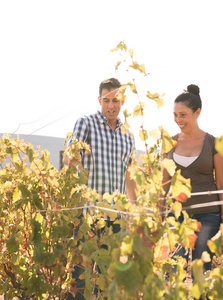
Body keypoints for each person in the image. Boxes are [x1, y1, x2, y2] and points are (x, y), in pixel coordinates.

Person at [63, 78, 137, 299]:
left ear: (122, 101)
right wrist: (71, 156)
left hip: (116, 220)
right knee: (80, 277)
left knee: (108, 280)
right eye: (106, 100)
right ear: (99, 100)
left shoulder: (129, 136)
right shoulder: (86, 123)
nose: (111, 105)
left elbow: (129, 176)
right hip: (87, 217)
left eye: (115, 100)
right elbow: (69, 153)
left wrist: (133, 211)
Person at [162, 84, 223, 277]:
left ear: (197, 113)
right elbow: (164, 185)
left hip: (208, 215)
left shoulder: (213, 143)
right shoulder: (169, 143)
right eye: (175, 115)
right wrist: (158, 215)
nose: (178, 120)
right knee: (173, 269)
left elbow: (221, 185)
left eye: (183, 115)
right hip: (177, 215)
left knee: (200, 271)